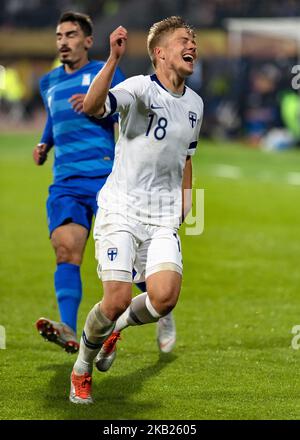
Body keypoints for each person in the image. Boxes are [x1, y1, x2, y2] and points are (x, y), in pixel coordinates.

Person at [69, 16, 203, 404]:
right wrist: (111, 59)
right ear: (160, 53)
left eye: (193, 39)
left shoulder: (195, 104)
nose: (191, 45)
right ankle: (81, 368)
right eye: (183, 40)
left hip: (162, 216)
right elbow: (94, 106)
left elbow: (187, 155)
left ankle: (116, 330)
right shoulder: (139, 88)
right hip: (122, 209)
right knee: (115, 299)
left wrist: (188, 197)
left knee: (164, 298)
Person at [34, 11, 176, 355]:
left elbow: (127, 112)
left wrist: (96, 105)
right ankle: (68, 326)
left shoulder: (106, 72)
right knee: (66, 249)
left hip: (107, 181)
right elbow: (55, 118)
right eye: (58, 36)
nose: (62, 42)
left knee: (131, 265)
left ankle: (162, 309)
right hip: (66, 181)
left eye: (70, 35)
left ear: (86, 41)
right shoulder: (48, 82)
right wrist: (45, 142)